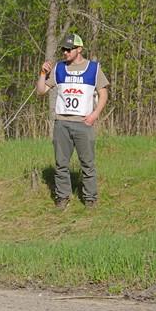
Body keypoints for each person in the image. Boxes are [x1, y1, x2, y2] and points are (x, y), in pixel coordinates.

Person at [36, 33, 110, 209]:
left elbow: (104, 94)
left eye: (69, 49)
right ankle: (62, 198)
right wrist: (42, 73)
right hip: (62, 123)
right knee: (61, 164)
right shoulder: (59, 68)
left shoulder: (93, 68)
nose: (65, 52)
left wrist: (94, 115)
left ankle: (90, 199)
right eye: (63, 49)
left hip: (83, 124)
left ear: (79, 49)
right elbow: (40, 91)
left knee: (88, 163)